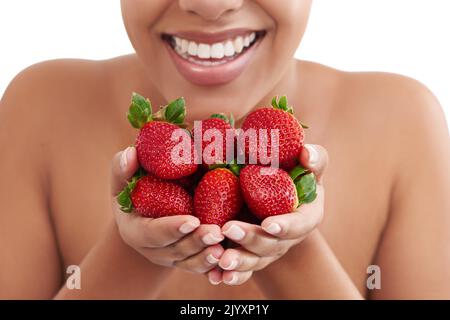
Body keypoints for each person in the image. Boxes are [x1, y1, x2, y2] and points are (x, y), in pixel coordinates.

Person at [1, 0, 449, 299]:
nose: (211, 3)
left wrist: (289, 245)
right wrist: (131, 249)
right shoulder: (41, 109)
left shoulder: (403, 122)